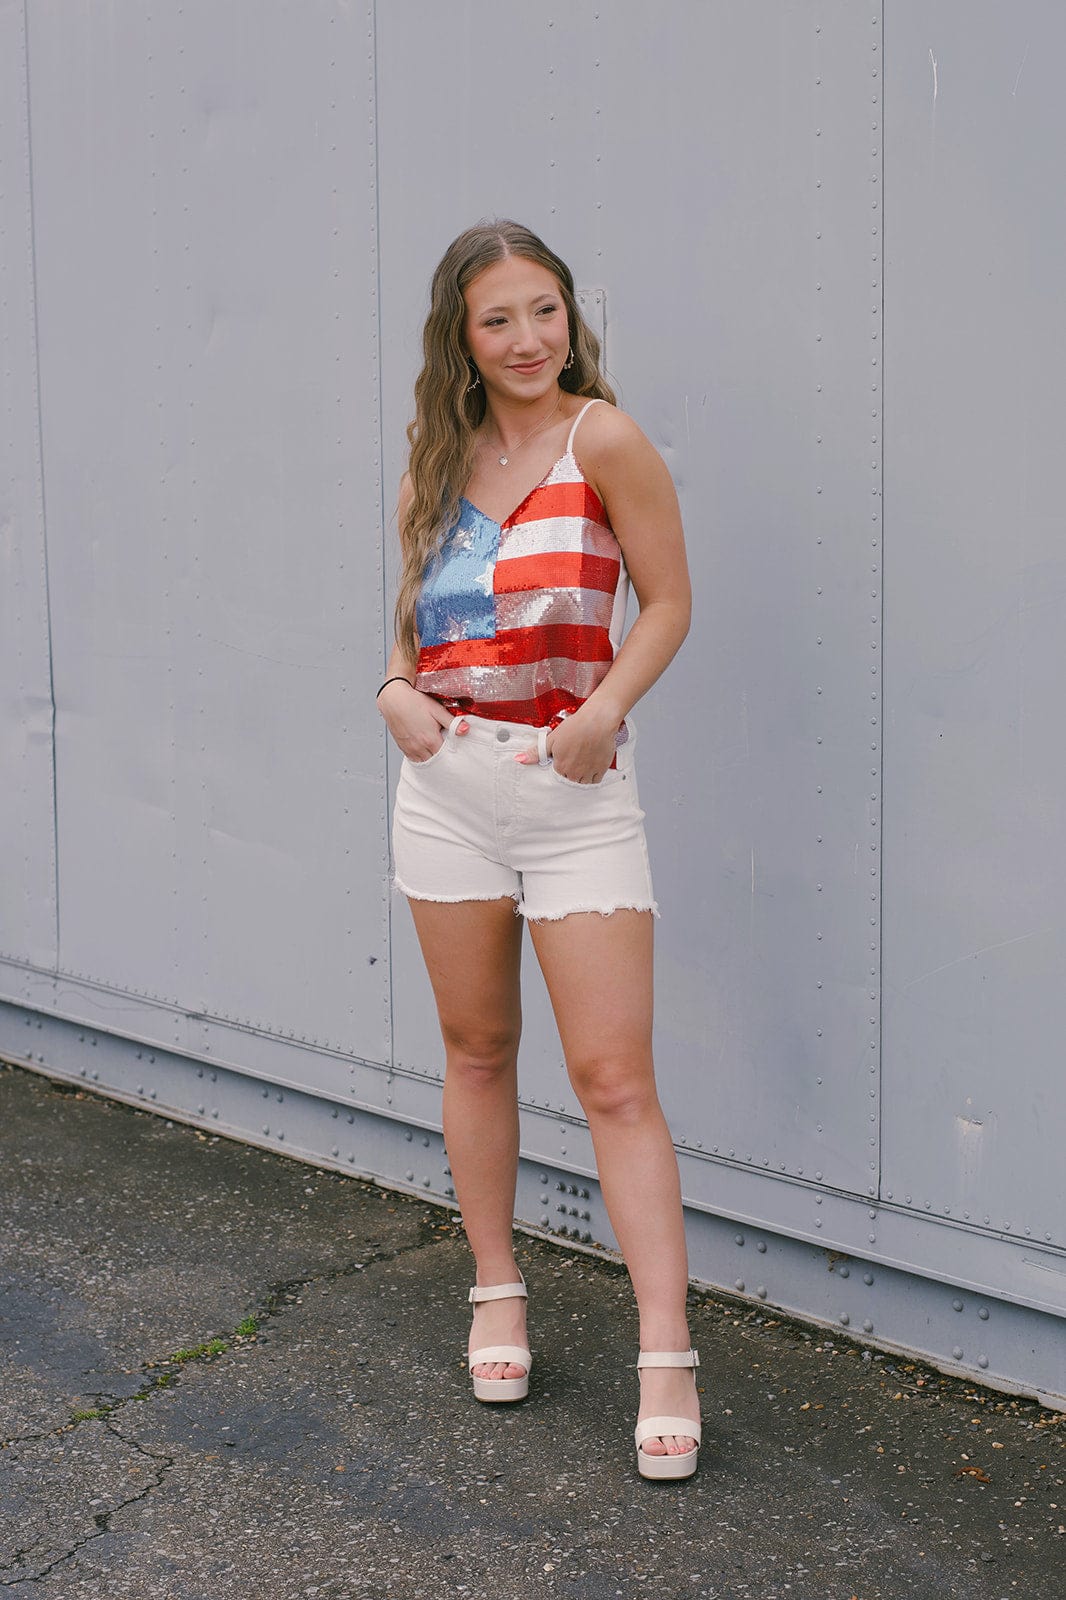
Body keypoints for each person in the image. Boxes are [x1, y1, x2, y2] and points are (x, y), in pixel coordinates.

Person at [376, 220, 699, 1479]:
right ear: (460, 334)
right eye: (498, 318)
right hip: (446, 787)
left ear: (571, 317)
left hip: (576, 787)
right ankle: (496, 1286)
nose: (526, 339)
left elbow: (666, 599)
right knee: (475, 1047)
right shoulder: (434, 456)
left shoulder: (601, 439)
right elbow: (407, 622)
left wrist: (607, 709)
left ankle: (663, 1348)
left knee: (614, 1077)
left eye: (544, 310)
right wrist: (393, 687)